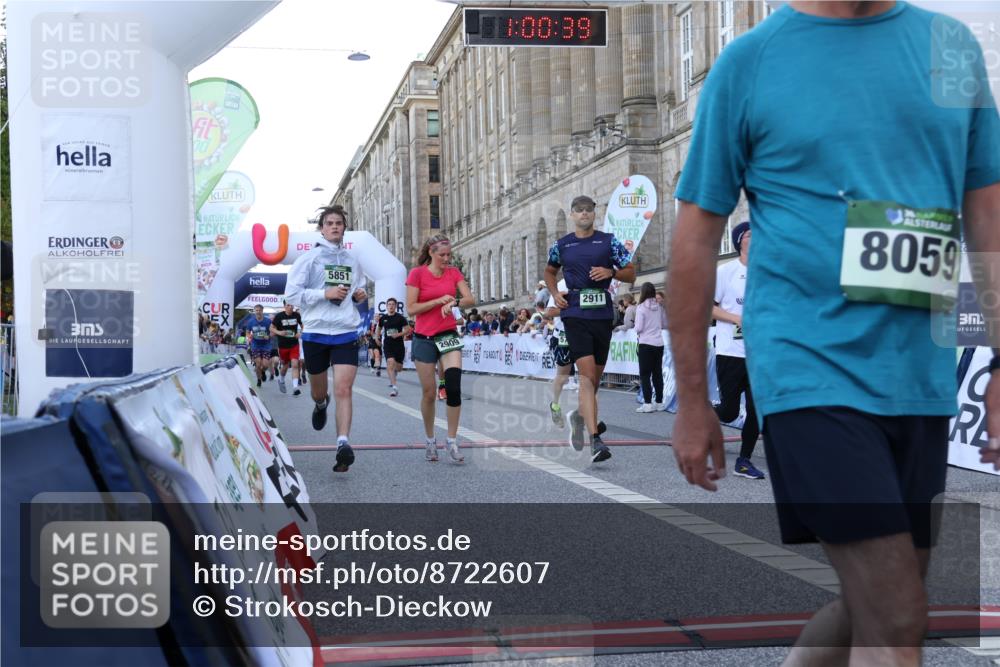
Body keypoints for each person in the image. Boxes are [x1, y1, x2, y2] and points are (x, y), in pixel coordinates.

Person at [667, 2, 1000, 664]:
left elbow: (987, 219)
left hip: (920, 376)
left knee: (871, 604)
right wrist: (694, 399)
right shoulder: (750, 63)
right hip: (807, 368)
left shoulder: (949, 47)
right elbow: (696, 237)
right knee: (898, 612)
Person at [545, 194, 635, 462]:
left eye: (588, 210)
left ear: (594, 213)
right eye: (578, 210)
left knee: (594, 381)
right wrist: (555, 293)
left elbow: (631, 272)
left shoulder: (608, 242)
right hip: (574, 314)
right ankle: (596, 440)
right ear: (572, 215)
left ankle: (580, 417)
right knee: (585, 376)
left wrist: (612, 273)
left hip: (601, 315)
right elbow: (550, 271)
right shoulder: (562, 245)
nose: (584, 214)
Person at [285, 204, 368, 474]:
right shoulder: (308, 260)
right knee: (320, 390)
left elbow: (359, 286)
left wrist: (359, 295)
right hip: (316, 332)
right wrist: (324, 294)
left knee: (344, 389)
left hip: (345, 331)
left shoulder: (351, 260)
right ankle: (321, 403)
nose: (335, 227)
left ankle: (343, 443)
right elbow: (292, 296)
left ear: (344, 228)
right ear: (321, 228)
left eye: (339, 223)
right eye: (329, 223)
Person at [406, 233, 475, 462]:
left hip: (447, 335)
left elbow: (470, 299)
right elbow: (411, 309)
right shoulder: (417, 274)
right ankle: (429, 439)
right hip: (424, 336)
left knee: (453, 386)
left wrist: (454, 302)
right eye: (442, 255)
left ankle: (452, 441)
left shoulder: (453, 272)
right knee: (429, 392)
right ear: (431, 253)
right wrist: (437, 302)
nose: (447, 259)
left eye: (449, 254)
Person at [710, 221, 765, 479]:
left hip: (759, 353)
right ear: (739, 240)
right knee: (730, 410)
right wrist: (737, 319)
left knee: (756, 410)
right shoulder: (726, 271)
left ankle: (744, 460)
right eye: (750, 234)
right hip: (730, 351)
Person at [632, 282, 668, 413]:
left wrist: (635, 328)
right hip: (659, 343)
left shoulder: (641, 307)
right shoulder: (659, 307)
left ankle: (647, 403)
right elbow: (664, 323)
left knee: (645, 374)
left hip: (646, 343)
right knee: (657, 374)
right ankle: (659, 402)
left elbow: (639, 327)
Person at [376, 297, 410, 397]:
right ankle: (394, 387)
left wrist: (398, 334)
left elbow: (408, 330)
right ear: (386, 306)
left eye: (392, 304)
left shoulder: (400, 317)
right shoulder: (383, 318)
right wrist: (377, 338)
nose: (391, 306)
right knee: (390, 363)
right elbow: (379, 328)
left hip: (399, 345)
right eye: (389, 304)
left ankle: (395, 372)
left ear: (395, 306)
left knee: (398, 368)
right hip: (388, 344)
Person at [270, 301, 303, 396]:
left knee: (295, 364)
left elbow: (303, 325)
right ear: (284, 306)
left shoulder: (297, 315)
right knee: (285, 366)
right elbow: (271, 328)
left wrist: (300, 333)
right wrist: (279, 332)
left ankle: (295, 387)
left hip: (294, 344)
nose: (290, 306)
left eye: (292, 304)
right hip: (283, 346)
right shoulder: (279, 316)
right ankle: (281, 380)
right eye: (288, 305)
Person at [237, 304, 273, 388]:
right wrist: (249, 336)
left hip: (266, 345)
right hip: (255, 344)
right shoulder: (251, 321)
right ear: (254, 311)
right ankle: (259, 380)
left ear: (262, 311)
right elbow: (247, 331)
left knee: (265, 365)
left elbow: (272, 331)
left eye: (259, 310)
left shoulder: (268, 321)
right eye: (256, 310)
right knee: (258, 363)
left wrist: (269, 336)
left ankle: (263, 371)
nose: (258, 312)